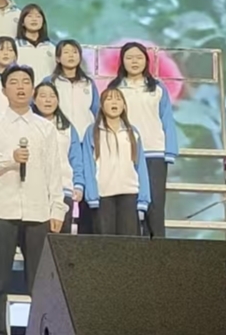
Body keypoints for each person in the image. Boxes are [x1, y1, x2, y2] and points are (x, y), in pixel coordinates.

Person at [0, 65, 66, 335]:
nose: (21, 87)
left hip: (38, 210)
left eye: (26, 82)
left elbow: (55, 171)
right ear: (4, 90)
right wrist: (9, 159)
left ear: (33, 89)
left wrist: (57, 208)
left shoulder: (45, 128)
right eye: (14, 82)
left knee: (39, 279)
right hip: (2, 207)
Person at [106, 42, 178, 238]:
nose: (134, 62)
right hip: (125, 153)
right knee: (129, 205)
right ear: (122, 61)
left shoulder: (158, 88)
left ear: (146, 60)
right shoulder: (115, 88)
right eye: (129, 58)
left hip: (154, 152)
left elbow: (167, 119)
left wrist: (170, 151)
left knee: (155, 205)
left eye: (139, 57)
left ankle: (157, 248)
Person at [76, 86, 151, 236]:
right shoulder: (92, 132)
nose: (114, 102)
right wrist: (92, 195)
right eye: (109, 99)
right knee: (105, 242)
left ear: (124, 105)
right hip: (103, 195)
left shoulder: (132, 132)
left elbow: (140, 166)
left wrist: (143, 198)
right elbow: (88, 165)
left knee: (129, 242)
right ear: (102, 106)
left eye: (118, 99)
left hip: (129, 193)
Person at [33, 83, 87, 235]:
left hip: (63, 188)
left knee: (62, 239)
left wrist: (78, 184)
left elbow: (76, 158)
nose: (48, 100)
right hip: (35, 190)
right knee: (37, 238)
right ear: (34, 100)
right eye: (43, 96)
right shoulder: (29, 125)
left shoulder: (67, 127)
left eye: (52, 96)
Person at [47, 39, 99, 135]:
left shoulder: (88, 83)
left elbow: (96, 110)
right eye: (66, 52)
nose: (71, 55)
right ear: (58, 58)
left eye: (75, 52)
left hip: (85, 135)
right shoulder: (50, 82)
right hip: (58, 134)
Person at [15, 4, 56, 84]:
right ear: (22, 22)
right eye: (30, 16)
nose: (34, 19)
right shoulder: (15, 46)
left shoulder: (51, 47)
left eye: (38, 16)